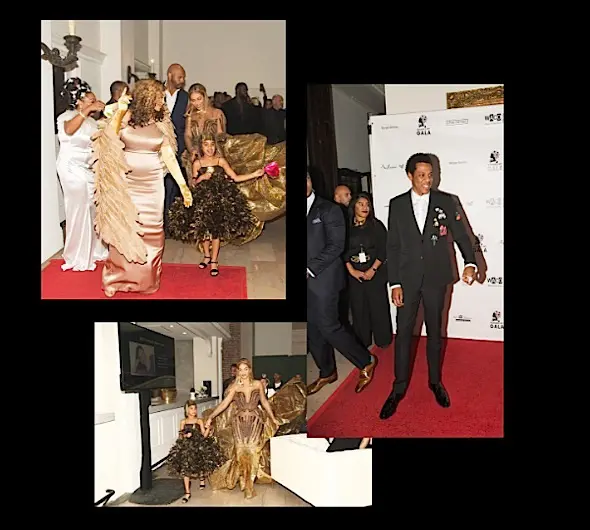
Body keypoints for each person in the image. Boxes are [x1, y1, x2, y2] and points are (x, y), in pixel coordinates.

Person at [379, 153, 477, 420]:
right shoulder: (397, 205)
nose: (427, 180)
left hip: (436, 278)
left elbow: (463, 236)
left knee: (435, 332)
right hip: (407, 280)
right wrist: (395, 282)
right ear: (409, 176)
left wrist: (470, 262)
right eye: (421, 175)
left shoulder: (446, 201)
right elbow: (393, 246)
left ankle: (435, 382)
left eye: (430, 175)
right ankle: (398, 389)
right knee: (403, 334)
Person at [91, 80, 193, 297]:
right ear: (147, 99)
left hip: (153, 184)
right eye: (159, 99)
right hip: (126, 182)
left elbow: (169, 157)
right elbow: (110, 138)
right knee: (124, 228)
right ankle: (116, 279)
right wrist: (119, 111)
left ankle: (146, 281)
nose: (162, 102)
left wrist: (183, 187)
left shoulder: (162, 123)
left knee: (152, 233)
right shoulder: (126, 116)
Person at [306, 172, 377, 396]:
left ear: (310, 181)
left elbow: (336, 246)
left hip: (324, 279)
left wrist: (309, 268)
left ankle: (366, 360)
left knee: (329, 326)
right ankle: (327, 371)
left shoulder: (329, 209)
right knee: (313, 330)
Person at [168, 126, 268, 276]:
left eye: (212, 144)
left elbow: (235, 178)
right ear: (201, 147)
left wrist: (254, 174)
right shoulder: (197, 163)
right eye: (206, 145)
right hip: (202, 200)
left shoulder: (221, 161)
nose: (209, 148)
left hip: (219, 199)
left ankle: (214, 260)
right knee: (203, 231)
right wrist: (202, 178)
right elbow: (193, 184)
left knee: (216, 231)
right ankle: (206, 256)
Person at [204, 358, 279, 499]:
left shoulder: (257, 384)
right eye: (240, 369)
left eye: (246, 369)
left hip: (255, 422)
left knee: (253, 452)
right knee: (240, 453)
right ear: (237, 371)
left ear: (250, 370)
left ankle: (249, 485)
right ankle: (244, 481)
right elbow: (224, 403)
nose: (243, 372)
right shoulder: (235, 387)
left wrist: (273, 418)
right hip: (239, 423)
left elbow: (264, 402)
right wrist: (211, 416)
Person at [56, 77, 108, 271]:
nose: (95, 103)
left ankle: (94, 250)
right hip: (70, 168)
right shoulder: (66, 117)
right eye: (90, 100)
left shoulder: (92, 122)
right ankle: (76, 255)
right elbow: (69, 130)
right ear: (79, 101)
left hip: (87, 169)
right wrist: (87, 110)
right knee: (78, 208)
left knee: (92, 208)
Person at [344, 193, 393, 348]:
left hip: (375, 273)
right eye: (361, 204)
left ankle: (383, 340)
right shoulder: (345, 227)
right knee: (359, 309)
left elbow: (384, 249)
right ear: (354, 206)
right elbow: (341, 251)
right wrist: (352, 271)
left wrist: (373, 269)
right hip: (354, 275)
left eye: (367, 204)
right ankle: (362, 341)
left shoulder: (376, 226)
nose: (365, 207)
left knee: (379, 307)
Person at [167, 400, 224, 502]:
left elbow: (204, 435)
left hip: (198, 445)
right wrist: (185, 435)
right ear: (187, 410)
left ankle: (202, 478)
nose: (194, 411)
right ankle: (187, 493)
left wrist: (208, 428)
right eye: (191, 408)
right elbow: (180, 436)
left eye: (195, 408)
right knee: (185, 469)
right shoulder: (183, 422)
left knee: (200, 463)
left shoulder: (199, 421)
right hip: (187, 447)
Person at [163, 64, 189, 234]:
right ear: (170, 75)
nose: (182, 80)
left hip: (178, 149)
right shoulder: (156, 93)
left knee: (173, 186)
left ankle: (170, 224)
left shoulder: (186, 97)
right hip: (158, 147)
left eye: (183, 77)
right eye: (179, 77)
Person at [182, 83, 226, 171]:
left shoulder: (217, 113)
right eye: (193, 100)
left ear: (204, 97)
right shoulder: (190, 116)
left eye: (199, 99)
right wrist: (191, 150)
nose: (197, 103)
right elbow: (187, 135)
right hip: (195, 157)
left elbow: (221, 136)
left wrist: (215, 153)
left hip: (214, 156)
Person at [334, 184, 352, 328]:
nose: (350, 197)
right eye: (346, 195)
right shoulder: (336, 212)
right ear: (337, 196)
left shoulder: (346, 212)